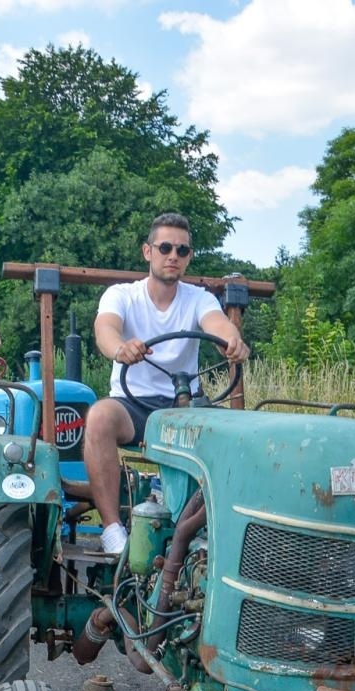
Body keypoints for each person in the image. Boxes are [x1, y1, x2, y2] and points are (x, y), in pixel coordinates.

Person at [87, 212, 248, 555]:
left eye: (182, 250)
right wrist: (120, 348)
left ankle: (222, 532)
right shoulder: (122, 295)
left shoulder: (198, 298)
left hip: (182, 405)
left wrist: (231, 340)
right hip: (134, 407)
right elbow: (105, 330)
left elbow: (217, 323)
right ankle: (113, 529)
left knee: (238, 434)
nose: (173, 255)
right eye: (165, 247)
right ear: (148, 252)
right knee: (99, 417)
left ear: (188, 256)